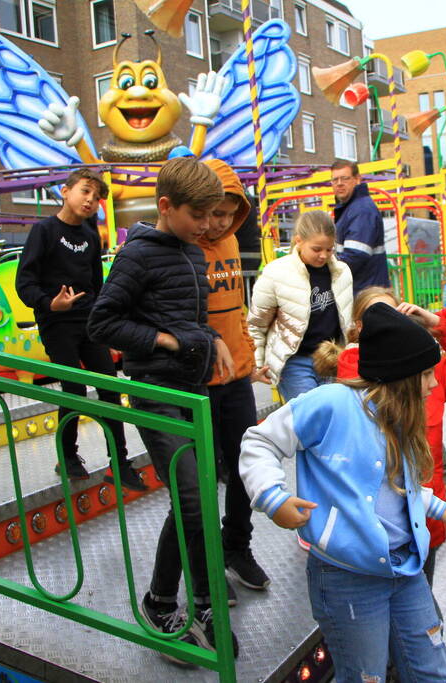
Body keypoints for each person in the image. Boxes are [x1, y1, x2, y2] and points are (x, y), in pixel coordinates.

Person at [240, 302, 446, 682]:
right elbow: (259, 441)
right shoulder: (331, 404)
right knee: (365, 676)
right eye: (427, 373)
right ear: (399, 375)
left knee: (433, 670)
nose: (433, 382)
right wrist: (272, 498)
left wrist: (435, 506)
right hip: (347, 576)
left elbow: (396, 487)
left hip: (405, 568)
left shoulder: (403, 416)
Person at [87, 157, 236, 662]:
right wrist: (166, 342)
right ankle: (194, 605)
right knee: (194, 500)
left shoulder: (192, 253)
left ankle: (163, 600)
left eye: (214, 215)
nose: (208, 225)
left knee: (192, 497)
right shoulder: (138, 256)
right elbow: (102, 323)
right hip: (155, 388)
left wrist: (210, 337)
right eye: (200, 215)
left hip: (190, 388)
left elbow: (189, 316)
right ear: (167, 206)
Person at [314, 287, 446, 589]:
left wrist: (434, 323)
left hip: (425, 512)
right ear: (358, 328)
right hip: (376, 523)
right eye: (375, 318)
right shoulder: (355, 375)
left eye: (394, 316)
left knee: (421, 593)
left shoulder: (428, 378)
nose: (386, 325)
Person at [14, 168, 146, 490]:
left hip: (87, 322)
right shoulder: (44, 231)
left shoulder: (89, 237)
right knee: (74, 387)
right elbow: (24, 282)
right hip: (56, 322)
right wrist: (48, 304)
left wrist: (106, 322)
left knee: (109, 387)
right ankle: (68, 455)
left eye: (96, 196)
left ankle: (120, 461)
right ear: (65, 191)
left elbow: (96, 286)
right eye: (85, 191)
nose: (90, 200)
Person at [198, 159, 270, 591]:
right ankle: (206, 562)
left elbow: (235, 309)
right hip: (198, 382)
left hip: (236, 377)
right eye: (214, 213)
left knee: (246, 465)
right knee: (205, 475)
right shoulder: (186, 245)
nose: (221, 223)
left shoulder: (228, 243)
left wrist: (247, 357)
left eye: (229, 214)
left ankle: (236, 545)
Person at [247, 210, 353, 401]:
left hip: (331, 357)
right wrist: (256, 363)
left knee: (333, 413)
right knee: (309, 414)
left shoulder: (342, 272)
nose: (323, 255)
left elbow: (347, 319)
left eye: (329, 249)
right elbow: (257, 324)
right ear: (298, 241)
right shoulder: (276, 272)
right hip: (294, 360)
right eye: (316, 249)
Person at [331, 160, 389, 292]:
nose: (339, 183)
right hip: (365, 289)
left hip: (364, 292)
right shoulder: (352, 208)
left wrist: (324, 269)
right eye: (335, 180)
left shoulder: (361, 210)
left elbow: (356, 255)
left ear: (357, 179)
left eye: (345, 178)